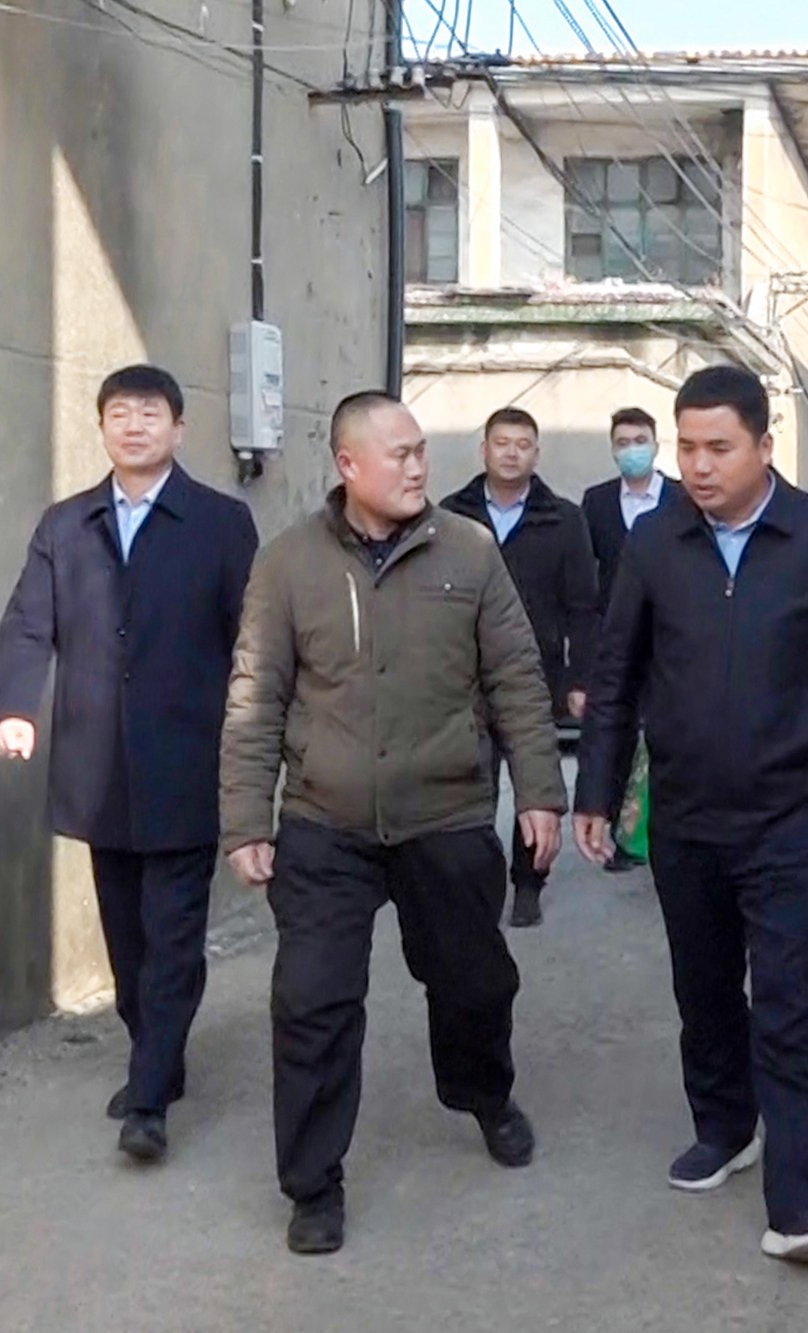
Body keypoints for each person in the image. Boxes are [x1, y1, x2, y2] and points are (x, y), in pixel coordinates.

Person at [572, 365, 808, 1269]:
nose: (698, 467)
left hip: (791, 822)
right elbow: (617, 676)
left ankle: (797, 1200)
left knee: (787, 1005)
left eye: (719, 447)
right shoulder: (657, 543)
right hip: (686, 820)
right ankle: (724, 1125)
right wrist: (596, 792)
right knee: (703, 993)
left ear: (764, 446)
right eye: (686, 448)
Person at [219, 390, 568, 1257]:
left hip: (444, 811)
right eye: (400, 453)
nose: (419, 466)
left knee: (474, 982)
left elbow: (517, 677)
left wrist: (538, 791)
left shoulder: (470, 552)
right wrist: (246, 819)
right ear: (349, 465)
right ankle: (313, 1183)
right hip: (324, 820)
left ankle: (484, 1092)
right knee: (312, 1001)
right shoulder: (288, 563)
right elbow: (256, 696)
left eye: (421, 450)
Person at [0, 364, 259, 1164]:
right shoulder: (67, 524)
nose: (134, 426)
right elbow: (28, 623)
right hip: (97, 763)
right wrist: (14, 707)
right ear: (102, 427)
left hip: (186, 757)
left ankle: (147, 1101)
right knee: (127, 940)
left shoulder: (220, 523)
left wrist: (256, 736)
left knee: (173, 935)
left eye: (149, 413)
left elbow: (252, 636)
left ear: (179, 428)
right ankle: (158, 1052)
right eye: (119, 413)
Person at [441, 407, 599, 928]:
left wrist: (580, 678)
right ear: (483, 449)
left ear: (536, 453)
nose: (511, 453)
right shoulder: (451, 515)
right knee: (471, 789)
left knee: (535, 782)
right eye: (502, 443)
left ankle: (528, 884)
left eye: (522, 444)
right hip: (463, 677)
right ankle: (477, 886)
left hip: (535, 675)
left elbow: (583, 607)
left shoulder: (564, 520)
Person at [579, 407, 683, 875]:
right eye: (622, 443)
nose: (632, 450)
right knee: (616, 734)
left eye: (640, 441)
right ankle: (620, 835)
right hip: (616, 635)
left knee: (666, 734)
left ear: (656, 445)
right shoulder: (597, 502)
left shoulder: (680, 499)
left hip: (668, 634)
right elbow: (588, 575)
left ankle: (665, 831)